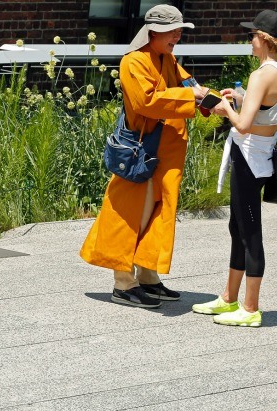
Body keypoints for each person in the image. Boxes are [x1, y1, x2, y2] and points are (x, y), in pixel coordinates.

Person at [79, 5, 209, 309]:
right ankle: (123, 284)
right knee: (130, 215)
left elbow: (190, 86)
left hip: (163, 152)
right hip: (140, 150)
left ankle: (148, 278)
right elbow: (147, 102)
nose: (178, 35)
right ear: (153, 32)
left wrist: (213, 98)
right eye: (173, 31)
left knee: (157, 214)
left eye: (180, 30)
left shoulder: (167, 58)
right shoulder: (133, 62)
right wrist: (194, 97)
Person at [192, 10, 277, 327]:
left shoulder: (261, 74)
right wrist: (242, 98)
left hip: (249, 157)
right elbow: (266, 110)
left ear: (263, 39)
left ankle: (250, 308)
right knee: (238, 228)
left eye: (252, 35)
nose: (249, 40)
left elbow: (244, 125)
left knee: (249, 232)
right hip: (259, 155)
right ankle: (229, 298)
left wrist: (223, 108)